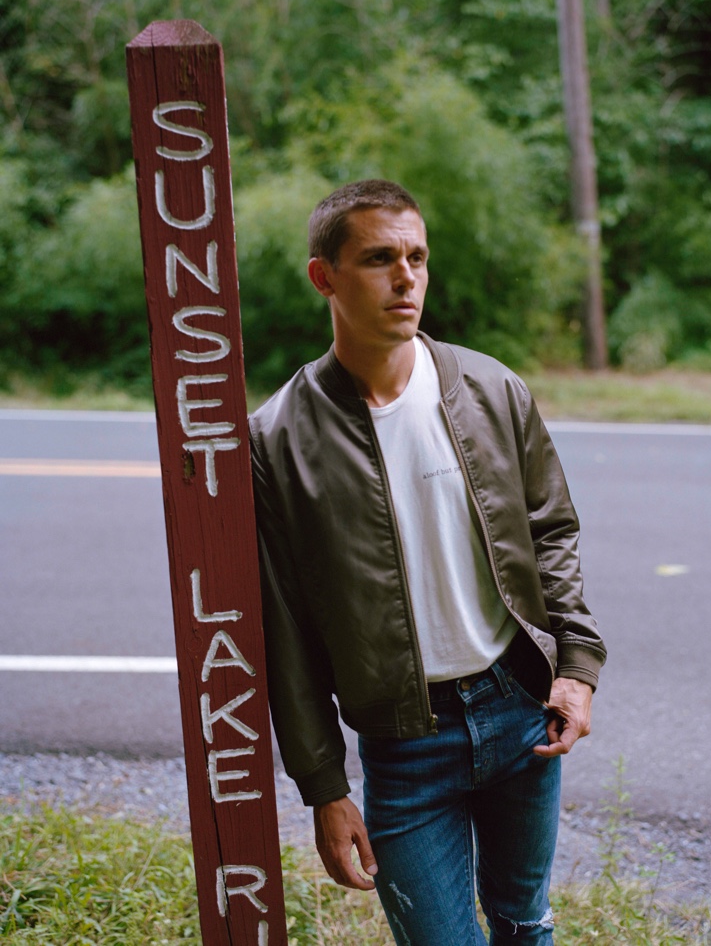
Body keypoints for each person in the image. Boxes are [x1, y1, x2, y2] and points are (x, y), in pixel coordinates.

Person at [249, 179, 606, 945]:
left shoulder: (490, 388)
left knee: (524, 921)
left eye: (416, 257)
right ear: (325, 277)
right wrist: (324, 789)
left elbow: (552, 532)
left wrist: (575, 667)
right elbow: (287, 632)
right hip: (405, 745)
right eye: (380, 258)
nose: (406, 277)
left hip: (519, 710)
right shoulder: (277, 440)